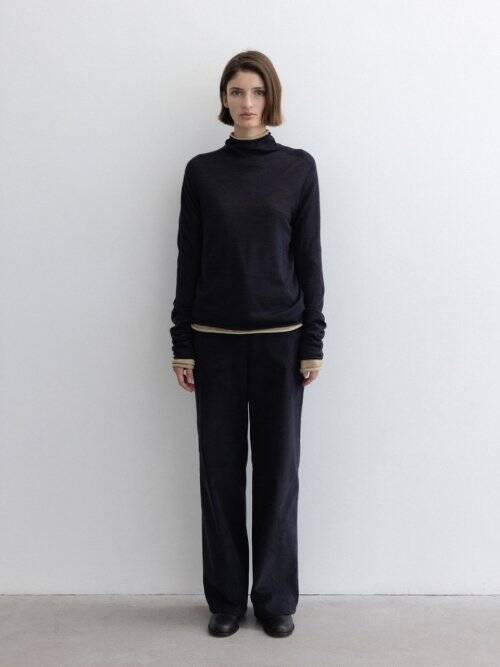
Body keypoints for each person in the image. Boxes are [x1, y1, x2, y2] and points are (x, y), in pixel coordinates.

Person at [170, 50, 326, 638]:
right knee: (220, 473)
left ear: (271, 98)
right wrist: (182, 341)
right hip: (214, 344)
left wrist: (313, 340)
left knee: (279, 473)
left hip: (281, 344)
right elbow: (188, 259)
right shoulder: (201, 172)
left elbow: (308, 258)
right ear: (224, 99)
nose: (246, 102)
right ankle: (227, 598)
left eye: (257, 92)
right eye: (236, 91)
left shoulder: (298, 169)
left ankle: (276, 599)